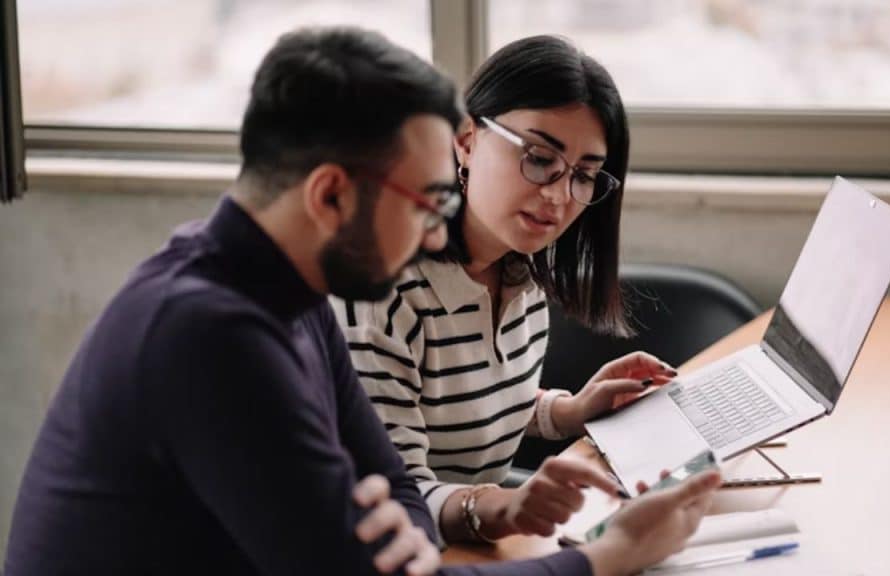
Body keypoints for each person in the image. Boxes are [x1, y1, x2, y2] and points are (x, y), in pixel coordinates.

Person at [4, 27, 720, 576]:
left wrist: (393, 530)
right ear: (331, 195)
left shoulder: (295, 294)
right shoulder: (209, 334)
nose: (438, 227)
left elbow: (396, 491)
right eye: (428, 200)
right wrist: (606, 555)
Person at [335, 35, 679, 544]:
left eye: (584, 175)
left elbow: (468, 403)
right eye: (540, 158)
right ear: (466, 140)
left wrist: (569, 412)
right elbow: (394, 496)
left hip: (472, 547)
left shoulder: (519, 271)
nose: (560, 197)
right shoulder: (381, 293)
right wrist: (503, 508)